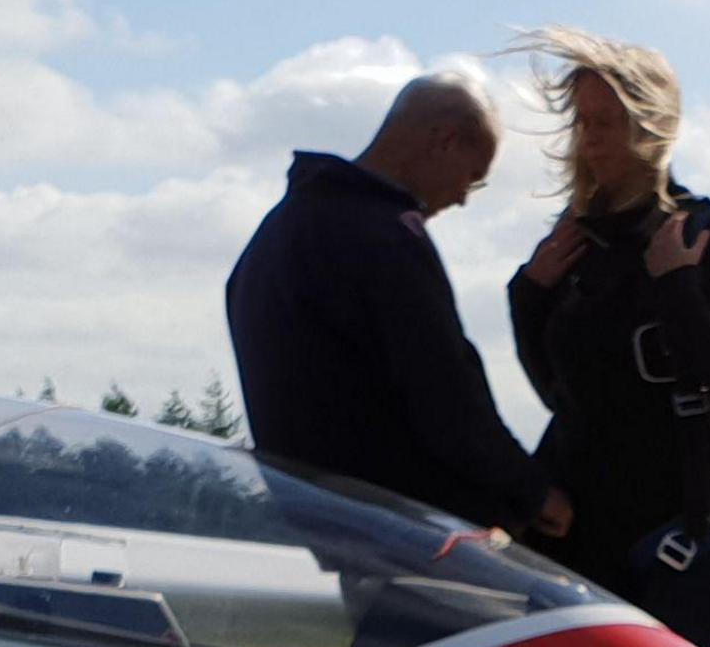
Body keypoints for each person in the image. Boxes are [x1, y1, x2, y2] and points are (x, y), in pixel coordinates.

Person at [503, 28, 710, 647]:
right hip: (578, 531)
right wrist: (530, 295)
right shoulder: (574, 243)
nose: (589, 138)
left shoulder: (707, 233)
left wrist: (678, 288)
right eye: (583, 120)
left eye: (607, 121)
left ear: (652, 125)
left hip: (671, 539)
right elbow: (559, 391)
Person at [226, 75, 573, 545]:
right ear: (445, 141)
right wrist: (531, 493)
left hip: (321, 521)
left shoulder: (276, 233)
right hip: (405, 535)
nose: (463, 198)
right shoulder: (386, 238)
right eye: (472, 176)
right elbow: (445, 393)